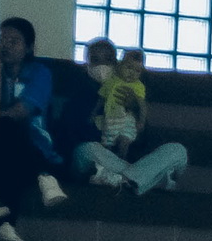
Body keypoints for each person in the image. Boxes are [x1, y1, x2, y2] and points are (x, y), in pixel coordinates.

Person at [0, 16, 72, 228]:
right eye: (2, 40)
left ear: (28, 47)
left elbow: (21, 111)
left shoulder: (40, 73)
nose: (6, 46)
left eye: (14, 41)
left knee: (9, 131)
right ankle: (42, 176)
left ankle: (5, 226)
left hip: (33, 144)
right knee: (5, 134)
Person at [76, 38, 187, 194]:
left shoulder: (134, 91)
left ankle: (122, 179)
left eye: (108, 60)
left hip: (131, 160)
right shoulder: (79, 91)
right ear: (86, 63)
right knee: (86, 149)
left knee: (178, 151)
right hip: (98, 157)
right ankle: (147, 179)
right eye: (95, 60)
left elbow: (144, 141)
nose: (102, 65)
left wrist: (133, 107)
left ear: (117, 64)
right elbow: (74, 134)